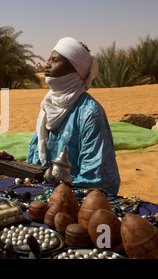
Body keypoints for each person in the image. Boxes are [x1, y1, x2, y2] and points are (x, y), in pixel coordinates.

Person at [26, 37, 120, 194]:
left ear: (74, 68)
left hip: (74, 195)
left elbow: (96, 176)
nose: (47, 64)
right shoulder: (48, 105)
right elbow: (36, 157)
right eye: (49, 59)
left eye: (55, 60)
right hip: (43, 189)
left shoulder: (89, 112)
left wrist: (61, 191)